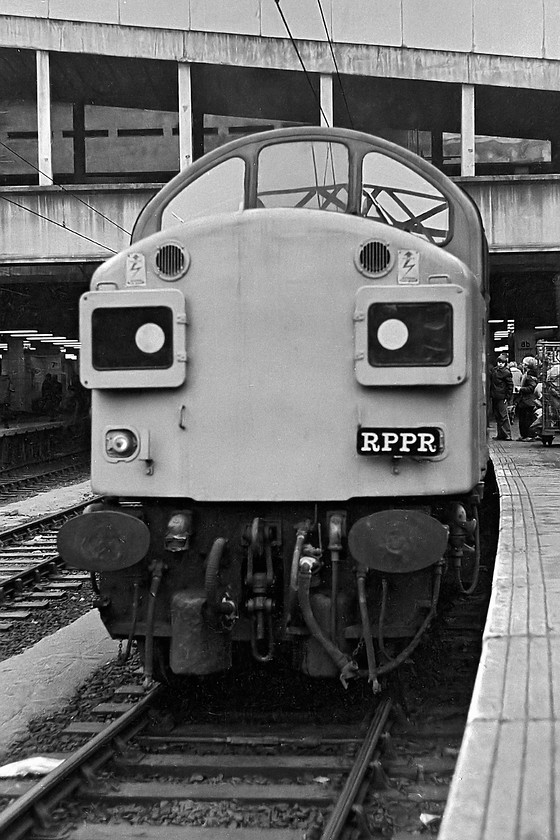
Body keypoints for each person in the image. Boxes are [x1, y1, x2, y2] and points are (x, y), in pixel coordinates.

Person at [490, 354, 513, 440]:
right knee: (499, 416)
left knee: (503, 416)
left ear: (505, 363)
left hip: (500, 397)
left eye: (502, 362)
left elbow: (510, 386)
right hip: (497, 396)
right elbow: (510, 385)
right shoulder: (497, 371)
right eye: (499, 362)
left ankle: (507, 434)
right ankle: (502, 434)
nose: (500, 364)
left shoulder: (504, 372)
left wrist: (507, 397)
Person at [516, 356, 539, 440]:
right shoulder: (532, 374)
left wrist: (520, 389)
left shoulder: (529, 375)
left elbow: (531, 387)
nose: (522, 365)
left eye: (523, 363)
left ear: (526, 365)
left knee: (526, 419)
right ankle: (526, 435)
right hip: (529, 401)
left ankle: (528, 435)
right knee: (526, 418)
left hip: (527, 401)